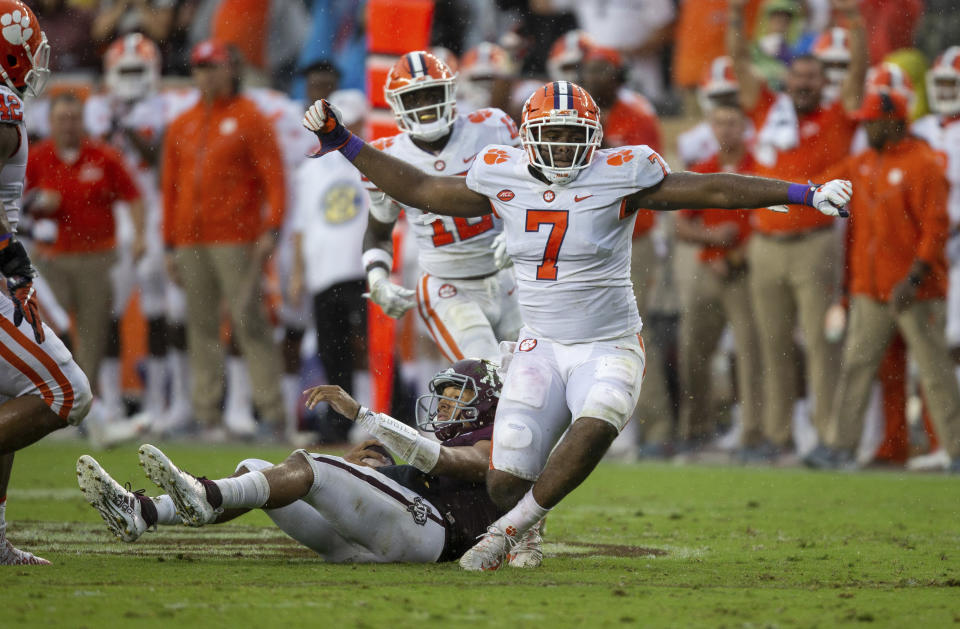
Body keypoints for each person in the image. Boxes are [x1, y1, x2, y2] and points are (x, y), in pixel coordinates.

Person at [302, 78, 852, 570]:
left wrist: (802, 193)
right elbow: (422, 191)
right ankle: (518, 517)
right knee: (502, 479)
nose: (564, 146)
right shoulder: (503, 172)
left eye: (573, 134)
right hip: (540, 346)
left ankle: (507, 532)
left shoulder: (620, 172)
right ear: (527, 135)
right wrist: (346, 143)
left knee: (600, 415)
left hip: (608, 342)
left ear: (593, 135)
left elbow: (710, 188)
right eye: (553, 134)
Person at [77, 359, 543, 567]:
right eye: (441, 397)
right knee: (256, 464)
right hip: (370, 541)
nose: (443, 408)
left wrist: (363, 417)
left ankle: (205, 495)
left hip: (430, 534)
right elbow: (422, 463)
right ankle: (144, 512)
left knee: (312, 465)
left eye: (455, 398)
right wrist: (359, 472)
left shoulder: (500, 443)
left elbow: (445, 460)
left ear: (486, 405)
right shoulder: (450, 438)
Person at [728, 0, 866, 457]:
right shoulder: (770, 109)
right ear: (786, 80)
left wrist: (855, 20)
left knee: (822, 349)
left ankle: (829, 438)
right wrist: (734, 16)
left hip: (814, 244)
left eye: (812, 77)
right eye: (798, 77)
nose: (804, 83)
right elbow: (740, 65)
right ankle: (777, 434)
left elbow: (858, 77)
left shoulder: (836, 116)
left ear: (823, 83)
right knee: (773, 347)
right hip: (766, 244)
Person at [803, 89, 960, 472]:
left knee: (934, 370)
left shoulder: (923, 163)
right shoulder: (862, 163)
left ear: (893, 121)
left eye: (871, 121)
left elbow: (936, 228)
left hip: (915, 290)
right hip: (870, 290)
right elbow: (819, 186)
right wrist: (780, 193)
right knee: (857, 365)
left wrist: (915, 276)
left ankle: (956, 450)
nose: (865, 128)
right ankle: (839, 446)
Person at [0, 0, 93, 565]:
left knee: (8, 392)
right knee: (66, 392)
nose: (36, 64)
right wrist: (11, 254)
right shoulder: (4, 103)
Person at [361, 51, 522, 368]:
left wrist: (520, 232)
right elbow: (378, 232)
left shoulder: (492, 127)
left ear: (451, 92)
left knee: (538, 377)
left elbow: (529, 193)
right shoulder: (388, 156)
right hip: (449, 285)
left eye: (432, 94)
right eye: (415, 98)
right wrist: (377, 279)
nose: (425, 106)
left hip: (512, 276)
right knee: (488, 374)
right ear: (398, 105)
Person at [161, 40, 285, 436]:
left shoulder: (249, 117)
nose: (206, 74)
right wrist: (168, 243)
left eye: (213, 66)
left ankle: (270, 412)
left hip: (236, 237)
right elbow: (170, 188)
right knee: (201, 325)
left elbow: (275, 178)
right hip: (190, 239)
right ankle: (206, 414)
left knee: (250, 321)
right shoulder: (183, 123)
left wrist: (273, 227)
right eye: (200, 67)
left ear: (230, 69)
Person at [26, 92, 145, 438]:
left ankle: (82, 413)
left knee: (93, 337)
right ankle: (52, 406)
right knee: (47, 334)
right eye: (61, 119)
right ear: (50, 123)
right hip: (51, 259)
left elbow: (133, 195)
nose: (68, 125)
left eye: (73, 118)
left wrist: (139, 236)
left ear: (83, 121)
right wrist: (37, 202)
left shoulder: (103, 156)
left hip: (97, 257)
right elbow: (13, 201)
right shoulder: (37, 157)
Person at [674, 104, 763, 457]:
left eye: (732, 123)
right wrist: (712, 238)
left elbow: (768, 222)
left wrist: (736, 254)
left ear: (745, 127)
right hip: (710, 270)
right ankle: (697, 427)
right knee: (694, 349)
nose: (726, 130)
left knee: (750, 352)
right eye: (720, 123)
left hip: (746, 271)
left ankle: (753, 432)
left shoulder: (758, 166)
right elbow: (681, 225)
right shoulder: (704, 169)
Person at [290, 89, 370, 444]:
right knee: (332, 350)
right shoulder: (310, 168)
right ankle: (341, 422)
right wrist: (297, 272)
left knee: (371, 347)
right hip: (325, 270)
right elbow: (300, 225)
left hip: (366, 267)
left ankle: (378, 416)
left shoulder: (374, 157)